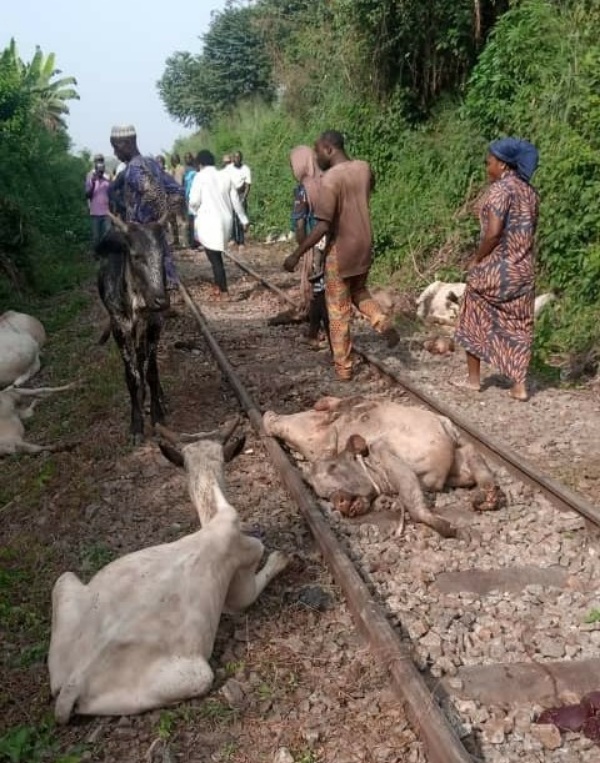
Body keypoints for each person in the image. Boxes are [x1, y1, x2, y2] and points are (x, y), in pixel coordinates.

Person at [284, 130, 398, 381]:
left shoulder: (331, 178)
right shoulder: (363, 168)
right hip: (365, 244)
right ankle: (380, 319)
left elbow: (323, 225)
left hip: (341, 249)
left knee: (337, 310)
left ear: (328, 148)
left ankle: (344, 369)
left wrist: (296, 254)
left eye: (317, 150)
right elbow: (370, 188)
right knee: (358, 291)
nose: (315, 157)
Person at [453, 137, 540, 402]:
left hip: (497, 270)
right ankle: (519, 386)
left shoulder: (501, 190)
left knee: (472, 310)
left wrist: (477, 259)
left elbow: (492, 234)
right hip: (523, 271)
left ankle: (473, 380)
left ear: (502, 164)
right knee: (519, 324)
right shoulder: (530, 192)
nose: (486, 167)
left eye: (488, 162)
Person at [109, 125, 184, 287]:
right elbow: (178, 191)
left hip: (143, 238)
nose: (115, 153)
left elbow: (152, 193)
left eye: (116, 148)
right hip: (155, 235)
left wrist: (156, 220)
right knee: (164, 274)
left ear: (127, 143)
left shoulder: (134, 169)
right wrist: (162, 221)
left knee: (149, 279)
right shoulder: (151, 162)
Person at [188, 149, 249, 298]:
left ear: (200, 164)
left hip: (208, 222)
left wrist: (193, 210)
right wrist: (244, 219)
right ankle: (218, 285)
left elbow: (194, 201)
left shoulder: (200, 177)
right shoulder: (225, 175)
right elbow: (235, 200)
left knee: (215, 259)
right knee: (216, 255)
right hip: (225, 221)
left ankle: (223, 290)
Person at [289, 145, 329, 348]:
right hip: (333, 241)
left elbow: (300, 223)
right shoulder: (328, 179)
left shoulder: (303, 190)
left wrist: (301, 250)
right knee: (325, 288)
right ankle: (317, 330)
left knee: (316, 289)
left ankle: (318, 333)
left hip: (315, 242)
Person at [85, 154, 111, 247]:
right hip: (95, 212)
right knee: (96, 236)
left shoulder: (108, 176)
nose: (99, 162)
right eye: (97, 160)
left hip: (107, 212)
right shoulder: (90, 176)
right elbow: (87, 195)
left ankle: (106, 254)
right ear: (94, 162)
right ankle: (96, 255)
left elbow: (112, 193)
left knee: (107, 235)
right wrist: (92, 182)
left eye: (101, 160)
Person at [228, 151, 251, 249]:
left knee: (240, 218)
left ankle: (241, 241)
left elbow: (248, 185)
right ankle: (233, 238)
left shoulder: (245, 169)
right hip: (230, 194)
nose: (236, 159)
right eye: (235, 157)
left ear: (241, 158)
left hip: (241, 194)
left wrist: (244, 197)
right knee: (232, 217)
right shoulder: (229, 169)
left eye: (238, 157)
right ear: (233, 158)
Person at [183, 152, 198, 249]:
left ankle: (195, 241)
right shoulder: (183, 170)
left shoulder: (195, 170)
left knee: (195, 221)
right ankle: (190, 242)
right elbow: (182, 185)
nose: (188, 159)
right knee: (189, 220)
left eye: (189, 158)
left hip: (195, 197)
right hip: (187, 197)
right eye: (186, 158)